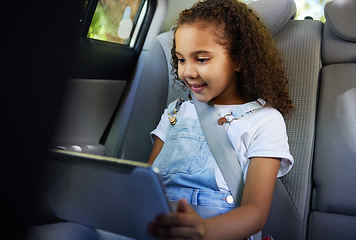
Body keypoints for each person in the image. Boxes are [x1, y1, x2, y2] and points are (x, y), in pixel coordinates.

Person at [147, 0, 294, 239]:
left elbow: (255, 212)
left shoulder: (265, 121)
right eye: (181, 59)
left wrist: (203, 231)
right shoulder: (175, 112)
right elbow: (148, 184)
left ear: (238, 59)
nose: (187, 72)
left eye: (202, 59)